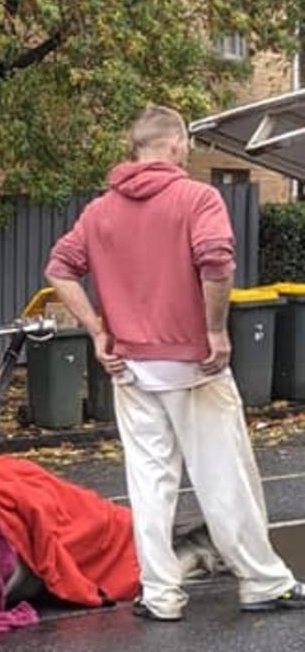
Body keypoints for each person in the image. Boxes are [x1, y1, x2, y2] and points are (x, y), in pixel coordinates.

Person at [44, 105, 305, 621]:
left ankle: (160, 594)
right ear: (177, 146)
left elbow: (59, 268)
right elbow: (216, 260)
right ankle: (261, 581)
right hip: (194, 364)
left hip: (131, 370)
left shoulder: (100, 212)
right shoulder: (197, 198)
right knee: (225, 474)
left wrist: (98, 332)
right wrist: (213, 330)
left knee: (148, 483)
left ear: (135, 148)